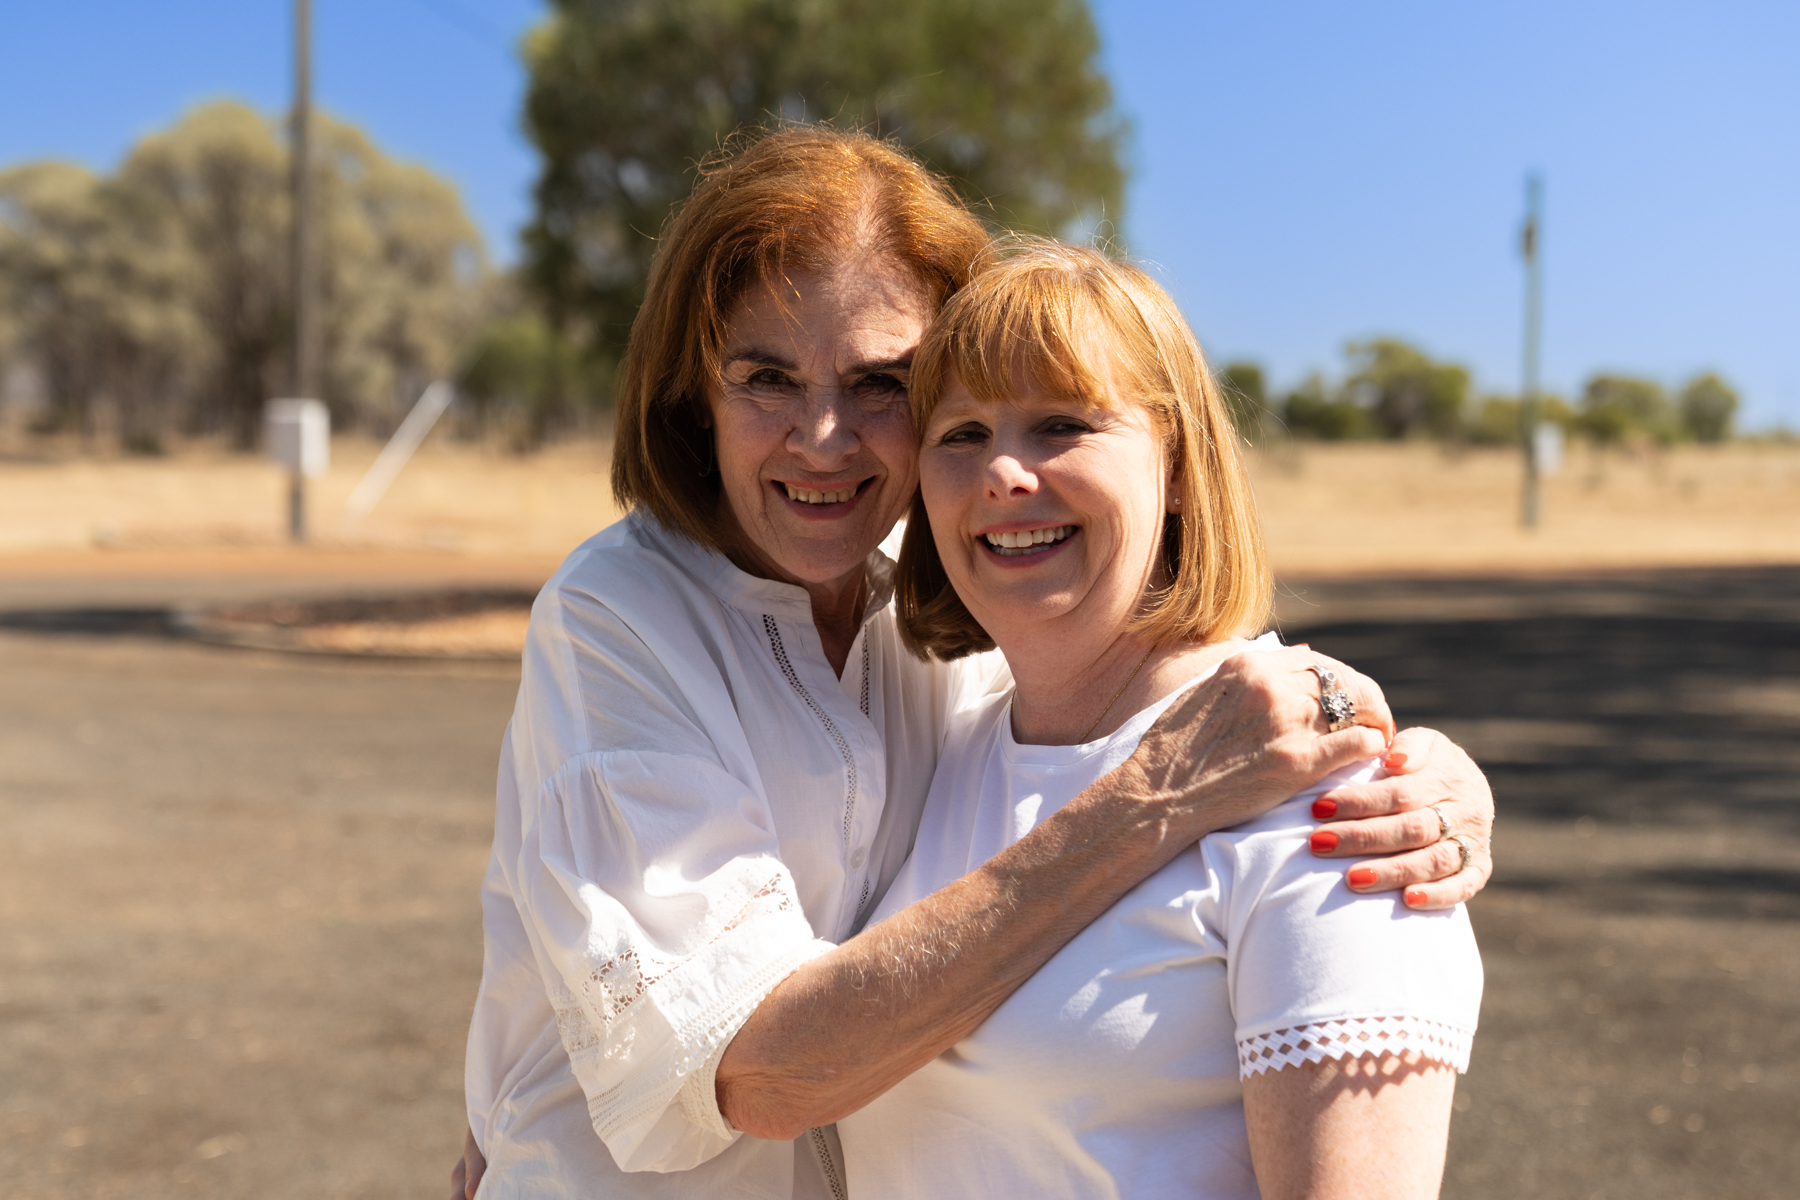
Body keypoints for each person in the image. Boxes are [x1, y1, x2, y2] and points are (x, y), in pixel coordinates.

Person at [455, 128, 1495, 1200]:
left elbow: (1145, 706)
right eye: (767, 377)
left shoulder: (943, 610)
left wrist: (1415, 768)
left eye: (882, 385)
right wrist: (1156, 798)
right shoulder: (619, 620)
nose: (823, 438)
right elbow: (751, 1071)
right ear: (693, 393)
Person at [834, 241, 1483, 1198]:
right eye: (960, 434)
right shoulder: (946, 744)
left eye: (1061, 424)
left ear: (1176, 465)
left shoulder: (1334, 800)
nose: (1004, 473)